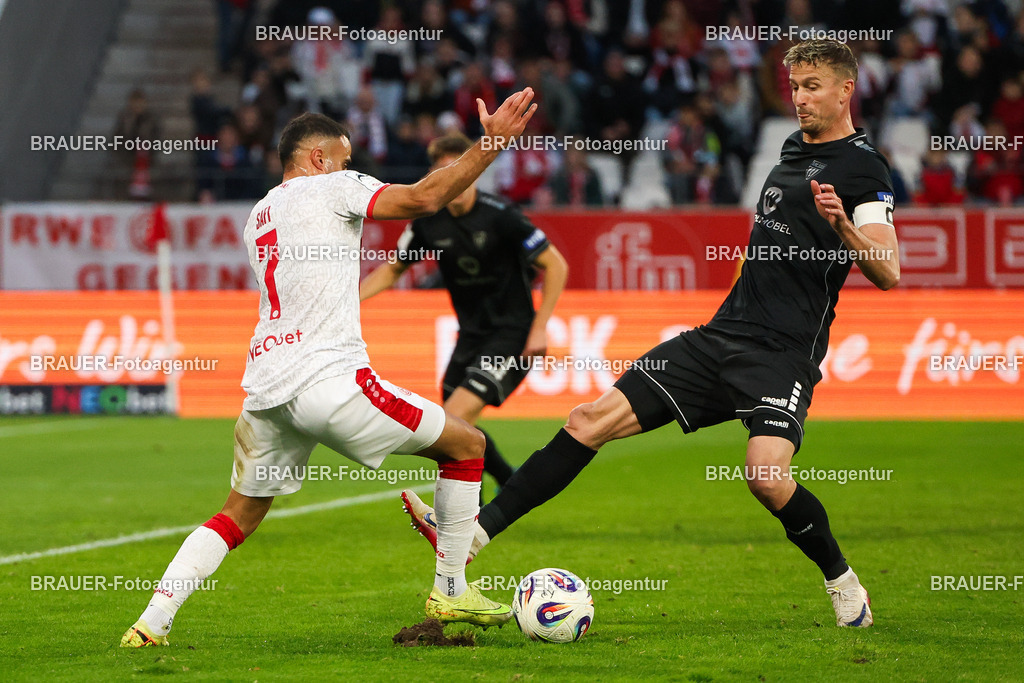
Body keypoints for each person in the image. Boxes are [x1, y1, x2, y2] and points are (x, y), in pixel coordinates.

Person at [402, 39, 901, 628]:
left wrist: (844, 227)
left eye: (812, 86)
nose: (799, 98)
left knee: (766, 476)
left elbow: (888, 269)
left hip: (780, 354)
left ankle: (845, 586)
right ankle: (471, 536)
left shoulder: (863, 168)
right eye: (794, 86)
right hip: (718, 337)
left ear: (847, 89)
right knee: (586, 421)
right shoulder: (792, 151)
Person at [120, 87, 538, 647]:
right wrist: (490, 146)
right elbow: (421, 199)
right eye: (345, 159)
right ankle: (451, 586)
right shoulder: (333, 186)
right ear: (318, 160)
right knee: (467, 444)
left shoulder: (260, 213)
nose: (353, 169)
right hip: (329, 380)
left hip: (266, 387)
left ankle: (151, 622)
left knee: (236, 514)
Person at [360, 132, 568, 498]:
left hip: (512, 336)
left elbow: (556, 264)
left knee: (451, 422)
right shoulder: (426, 222)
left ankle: (466, 511)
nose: (453, 181)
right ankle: (511, 485)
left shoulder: (501, 216)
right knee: (455, 427)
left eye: (460, 171)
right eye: (445, 173)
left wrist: (539, 328)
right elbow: (393, 270)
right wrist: (347, 301)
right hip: (470, 337)